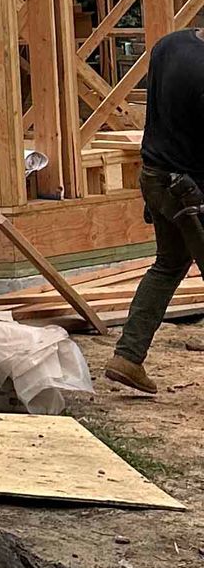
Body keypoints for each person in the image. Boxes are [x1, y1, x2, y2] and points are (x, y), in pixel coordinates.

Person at [108, 24, 204, 393]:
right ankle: (127, 355)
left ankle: (127, 357)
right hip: (189, 193)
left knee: (168, 264)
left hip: (154, 175)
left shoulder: (169, 45)